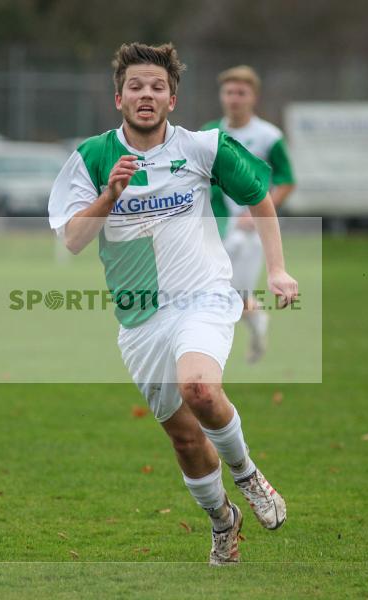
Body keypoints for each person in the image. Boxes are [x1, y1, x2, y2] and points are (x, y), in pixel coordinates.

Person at [48, 43, 298, 566]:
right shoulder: (91, 158)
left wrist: (276, 268)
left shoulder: (204, 147)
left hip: (203, 296)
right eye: (136, 86)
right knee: (186, 440)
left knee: (201, 387)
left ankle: (249, 477)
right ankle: (223, 523)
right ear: (119, 97)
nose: (146, 95)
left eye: (157, 87)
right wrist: (109, 195)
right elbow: (72, 240)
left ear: (173, 99)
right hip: (139, 319)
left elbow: (259, 196)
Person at [201, 66, 295, 362]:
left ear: (253, 97)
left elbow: (286, 181)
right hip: (216, 226)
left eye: (241, 93)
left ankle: (217, 352)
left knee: (233, 294)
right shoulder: (208, 133)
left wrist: (258, 214)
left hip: (252, 233)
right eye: (229, 92)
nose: (234, 98)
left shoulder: (269, 136)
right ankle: (255, 324)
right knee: (215, 291)